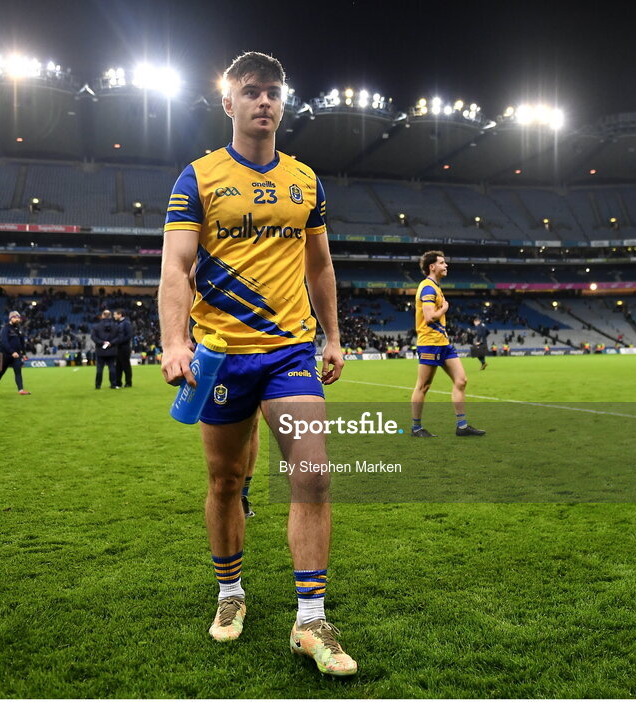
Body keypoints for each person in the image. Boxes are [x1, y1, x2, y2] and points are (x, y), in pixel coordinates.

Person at [160, 52, 355, 676]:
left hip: (289, 353)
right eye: (251, 91)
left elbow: (320, 265)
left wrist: (331, 336)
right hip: (221, 356)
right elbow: (176, 267)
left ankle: (311, 619)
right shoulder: (198, 178)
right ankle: (230, 595)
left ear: (283, 100)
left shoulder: (307, 181)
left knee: (314, 475)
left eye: (272, 91)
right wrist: (173, 341)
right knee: (225, 482)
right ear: (229, 102)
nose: (263, 101)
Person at [409, 251, 485, 438]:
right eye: (442, 263)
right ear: (432, 267)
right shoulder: (427, 288)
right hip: (430, 343)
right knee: (423, 386)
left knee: (461, 380)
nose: (446, 265)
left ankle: (462, 426)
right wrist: (444, 308)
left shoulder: (436, 287)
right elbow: (428, 317)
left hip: (443, 343)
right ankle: (416, 428)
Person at [0, 311, 30, 396]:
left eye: (18, 318)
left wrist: (24, 353)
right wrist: (12, 352)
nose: (18, 319)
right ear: (11, 318)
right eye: (16, 317)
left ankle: (21, 390)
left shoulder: (19, 330)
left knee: (18, 372)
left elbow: (21, 343)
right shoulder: (5, 329)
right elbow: (4, 342)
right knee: (0, 372)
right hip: (3, 355)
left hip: (16, 355)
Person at [92, 309, 119, 390]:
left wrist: (102, 342)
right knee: (112, 368)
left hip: (100, 350)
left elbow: (93, 337)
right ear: (110, 316)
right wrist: (111, 343)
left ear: (102, 315)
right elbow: (118, 337)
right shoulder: (116, 326)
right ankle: (113, 384)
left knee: (99, 369)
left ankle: (98, 385)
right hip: (112, 350)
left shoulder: (96, 326)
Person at [113, 309, 133, 388]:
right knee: (118, 366)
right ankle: (118, 382)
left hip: (124, 347)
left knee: (126, 365)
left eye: (115, 314)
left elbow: (129, 336)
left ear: (120, 314)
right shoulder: (119, 323)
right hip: (118, 348)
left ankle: (128, 382)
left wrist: (118, 341)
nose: (114, 316)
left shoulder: (126, 323)